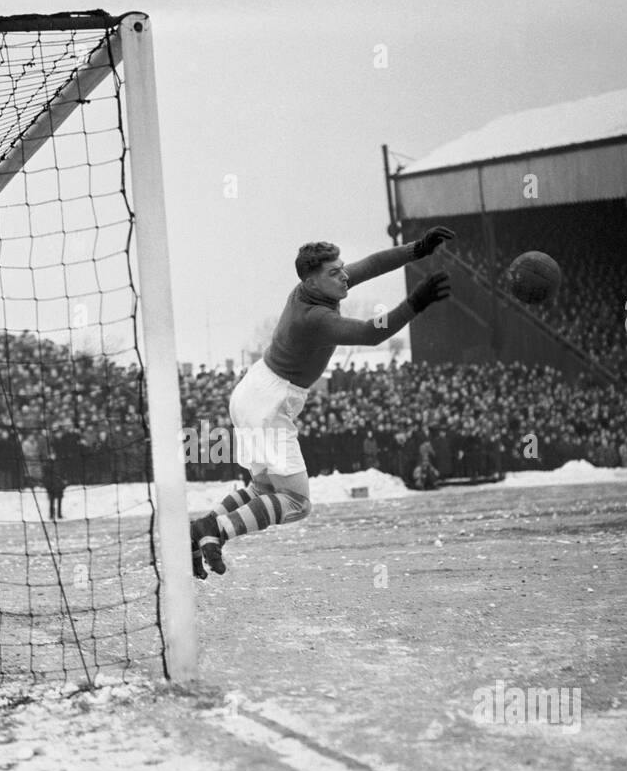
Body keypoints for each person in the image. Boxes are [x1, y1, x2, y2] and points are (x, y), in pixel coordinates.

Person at [188, 227, 455, 577]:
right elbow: (371, 333)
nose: (344, 275)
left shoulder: (315, 289)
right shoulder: (314, 318)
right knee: (297, 503)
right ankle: (217, 531)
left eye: (341, 267)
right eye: (334, 272)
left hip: (253, 391)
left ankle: (199, 530)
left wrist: (417, 249)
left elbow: (371, 264)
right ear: (313, 282)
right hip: (268, 402)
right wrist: (415, 303)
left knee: (264, 488)